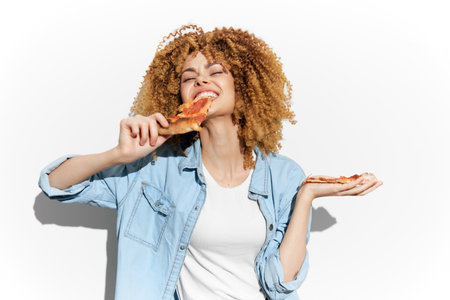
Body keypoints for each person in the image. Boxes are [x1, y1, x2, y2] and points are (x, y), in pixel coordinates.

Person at [38, 25, 382, 300]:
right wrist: (118, 155)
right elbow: (55, 184)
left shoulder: (284, 175)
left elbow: (281, 282)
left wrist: (306, 195)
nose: (200, 80)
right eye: (189, 77)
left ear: (245, 88)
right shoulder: (154, 168)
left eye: (215, 72)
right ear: (180, 95)